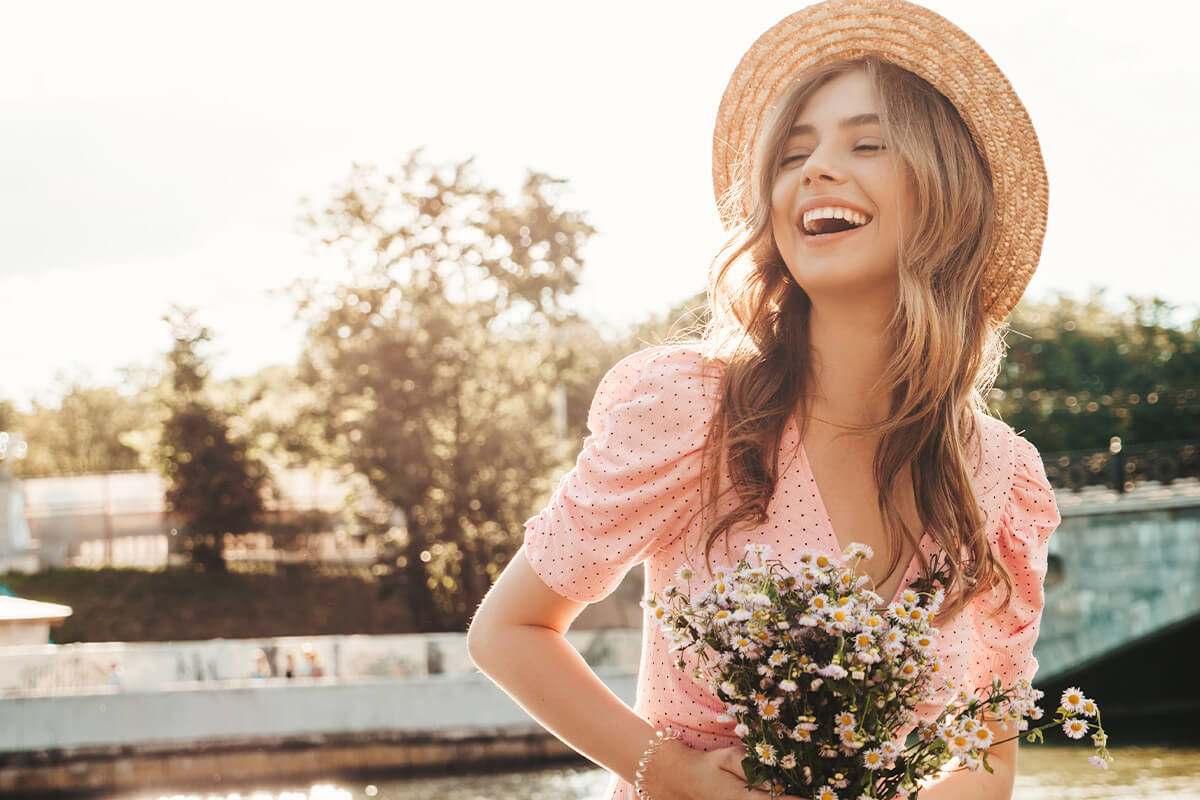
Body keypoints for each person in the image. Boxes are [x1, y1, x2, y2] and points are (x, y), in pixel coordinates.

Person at [467, 2, 1060, 799]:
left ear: (946, 192)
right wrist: (673, 773)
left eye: (867, 142)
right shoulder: (694, 412)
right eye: (792, 153)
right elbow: (509, 633)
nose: (815, 169)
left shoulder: (1002, 476)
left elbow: (986, 740)